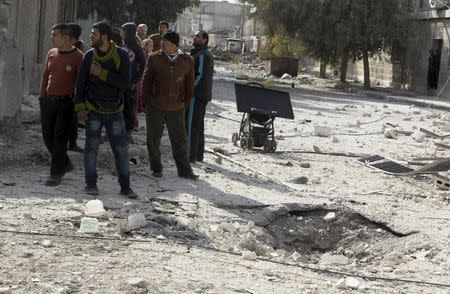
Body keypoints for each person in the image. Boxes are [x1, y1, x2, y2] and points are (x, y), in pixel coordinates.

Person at [74, 21, 137, 198]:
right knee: (91, 148)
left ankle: (125, 186)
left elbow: (125, 83)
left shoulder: (122, 55)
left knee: (120, 150)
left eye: (94, 33)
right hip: (93, 110)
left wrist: (102, 73)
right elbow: (80, 84)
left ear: (104, 37)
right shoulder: (88, 56)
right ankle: (91, 184)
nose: (90, 36)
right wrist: (80, 109)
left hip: (115, 111)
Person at [141, 30, 198, 180]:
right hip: (155, 106)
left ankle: (185, 171)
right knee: (153, 139)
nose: (162, 44)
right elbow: (146, 82)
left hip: (177, 108)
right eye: (161, 42)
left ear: (174, 44)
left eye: (165, 42)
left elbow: (189, 85)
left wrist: (184, 104)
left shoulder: (187, 60)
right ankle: (156, 168)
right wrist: (146, 103)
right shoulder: (154, 58)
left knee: (179, 140)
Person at [39, 23, 83, 186]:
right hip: (49, 101)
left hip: (67, 103)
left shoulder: (78, 56)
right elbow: (45, 76)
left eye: (54, 35)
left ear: (66, 38)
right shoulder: (51, 53)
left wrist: (78, 103)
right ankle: (65, 162)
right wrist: (42, 96)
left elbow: (82, 82)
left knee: (59, 138)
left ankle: (56, 173)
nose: (51, 37)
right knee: (47, 136)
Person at [186, 30, 214, 163]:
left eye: (198, 36)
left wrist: (190, 90)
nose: (195, 38)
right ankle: (198, 155)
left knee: (191, 126)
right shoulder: (201, 54)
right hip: (201, 95)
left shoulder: (202, 55)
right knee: (198, 126)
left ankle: (190, 156)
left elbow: (200, 75)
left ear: (204, 40)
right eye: (195, 36)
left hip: (196, 96)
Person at [120, 22, 146, 141]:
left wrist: (135, 81)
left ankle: (128, 132)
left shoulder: (137, 48)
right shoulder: (121, 46)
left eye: (123, 31)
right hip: (120, 82)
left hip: (131, 83)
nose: (121, 33)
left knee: (129, 108)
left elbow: (144, 66)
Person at [66, 22, 86, 153]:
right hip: (64, 89)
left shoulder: (78, 52)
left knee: (71, 119)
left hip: (72, 90)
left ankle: (72, 143)